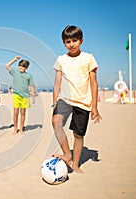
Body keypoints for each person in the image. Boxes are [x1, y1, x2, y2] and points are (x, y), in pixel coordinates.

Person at [51, 25, 102, 173]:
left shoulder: (88, 58)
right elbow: (57, 83)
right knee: (55, 122)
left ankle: (75, 165)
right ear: (63, 43)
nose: (71, 44)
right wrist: (55, 101)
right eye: (68, 42)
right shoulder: (61, 59)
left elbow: (93, 83)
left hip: (83, 102)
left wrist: (94, 107)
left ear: (81, 40)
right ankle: (67, 155)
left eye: (75, 40)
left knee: (78, 135)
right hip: (65, 99)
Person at [5, 56, 35, 134]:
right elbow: (7, 66)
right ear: (18, 66)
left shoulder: (29, 75)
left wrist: (33, 96)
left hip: (25, 96)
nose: (21, 68)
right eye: (20, 66)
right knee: (15, 112)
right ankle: (15, 128)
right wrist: (15, 59)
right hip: (16, 95)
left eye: (24, 66)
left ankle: (21, 128)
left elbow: (31, 86)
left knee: (23, 113)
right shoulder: (15, 72)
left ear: (26, 68)